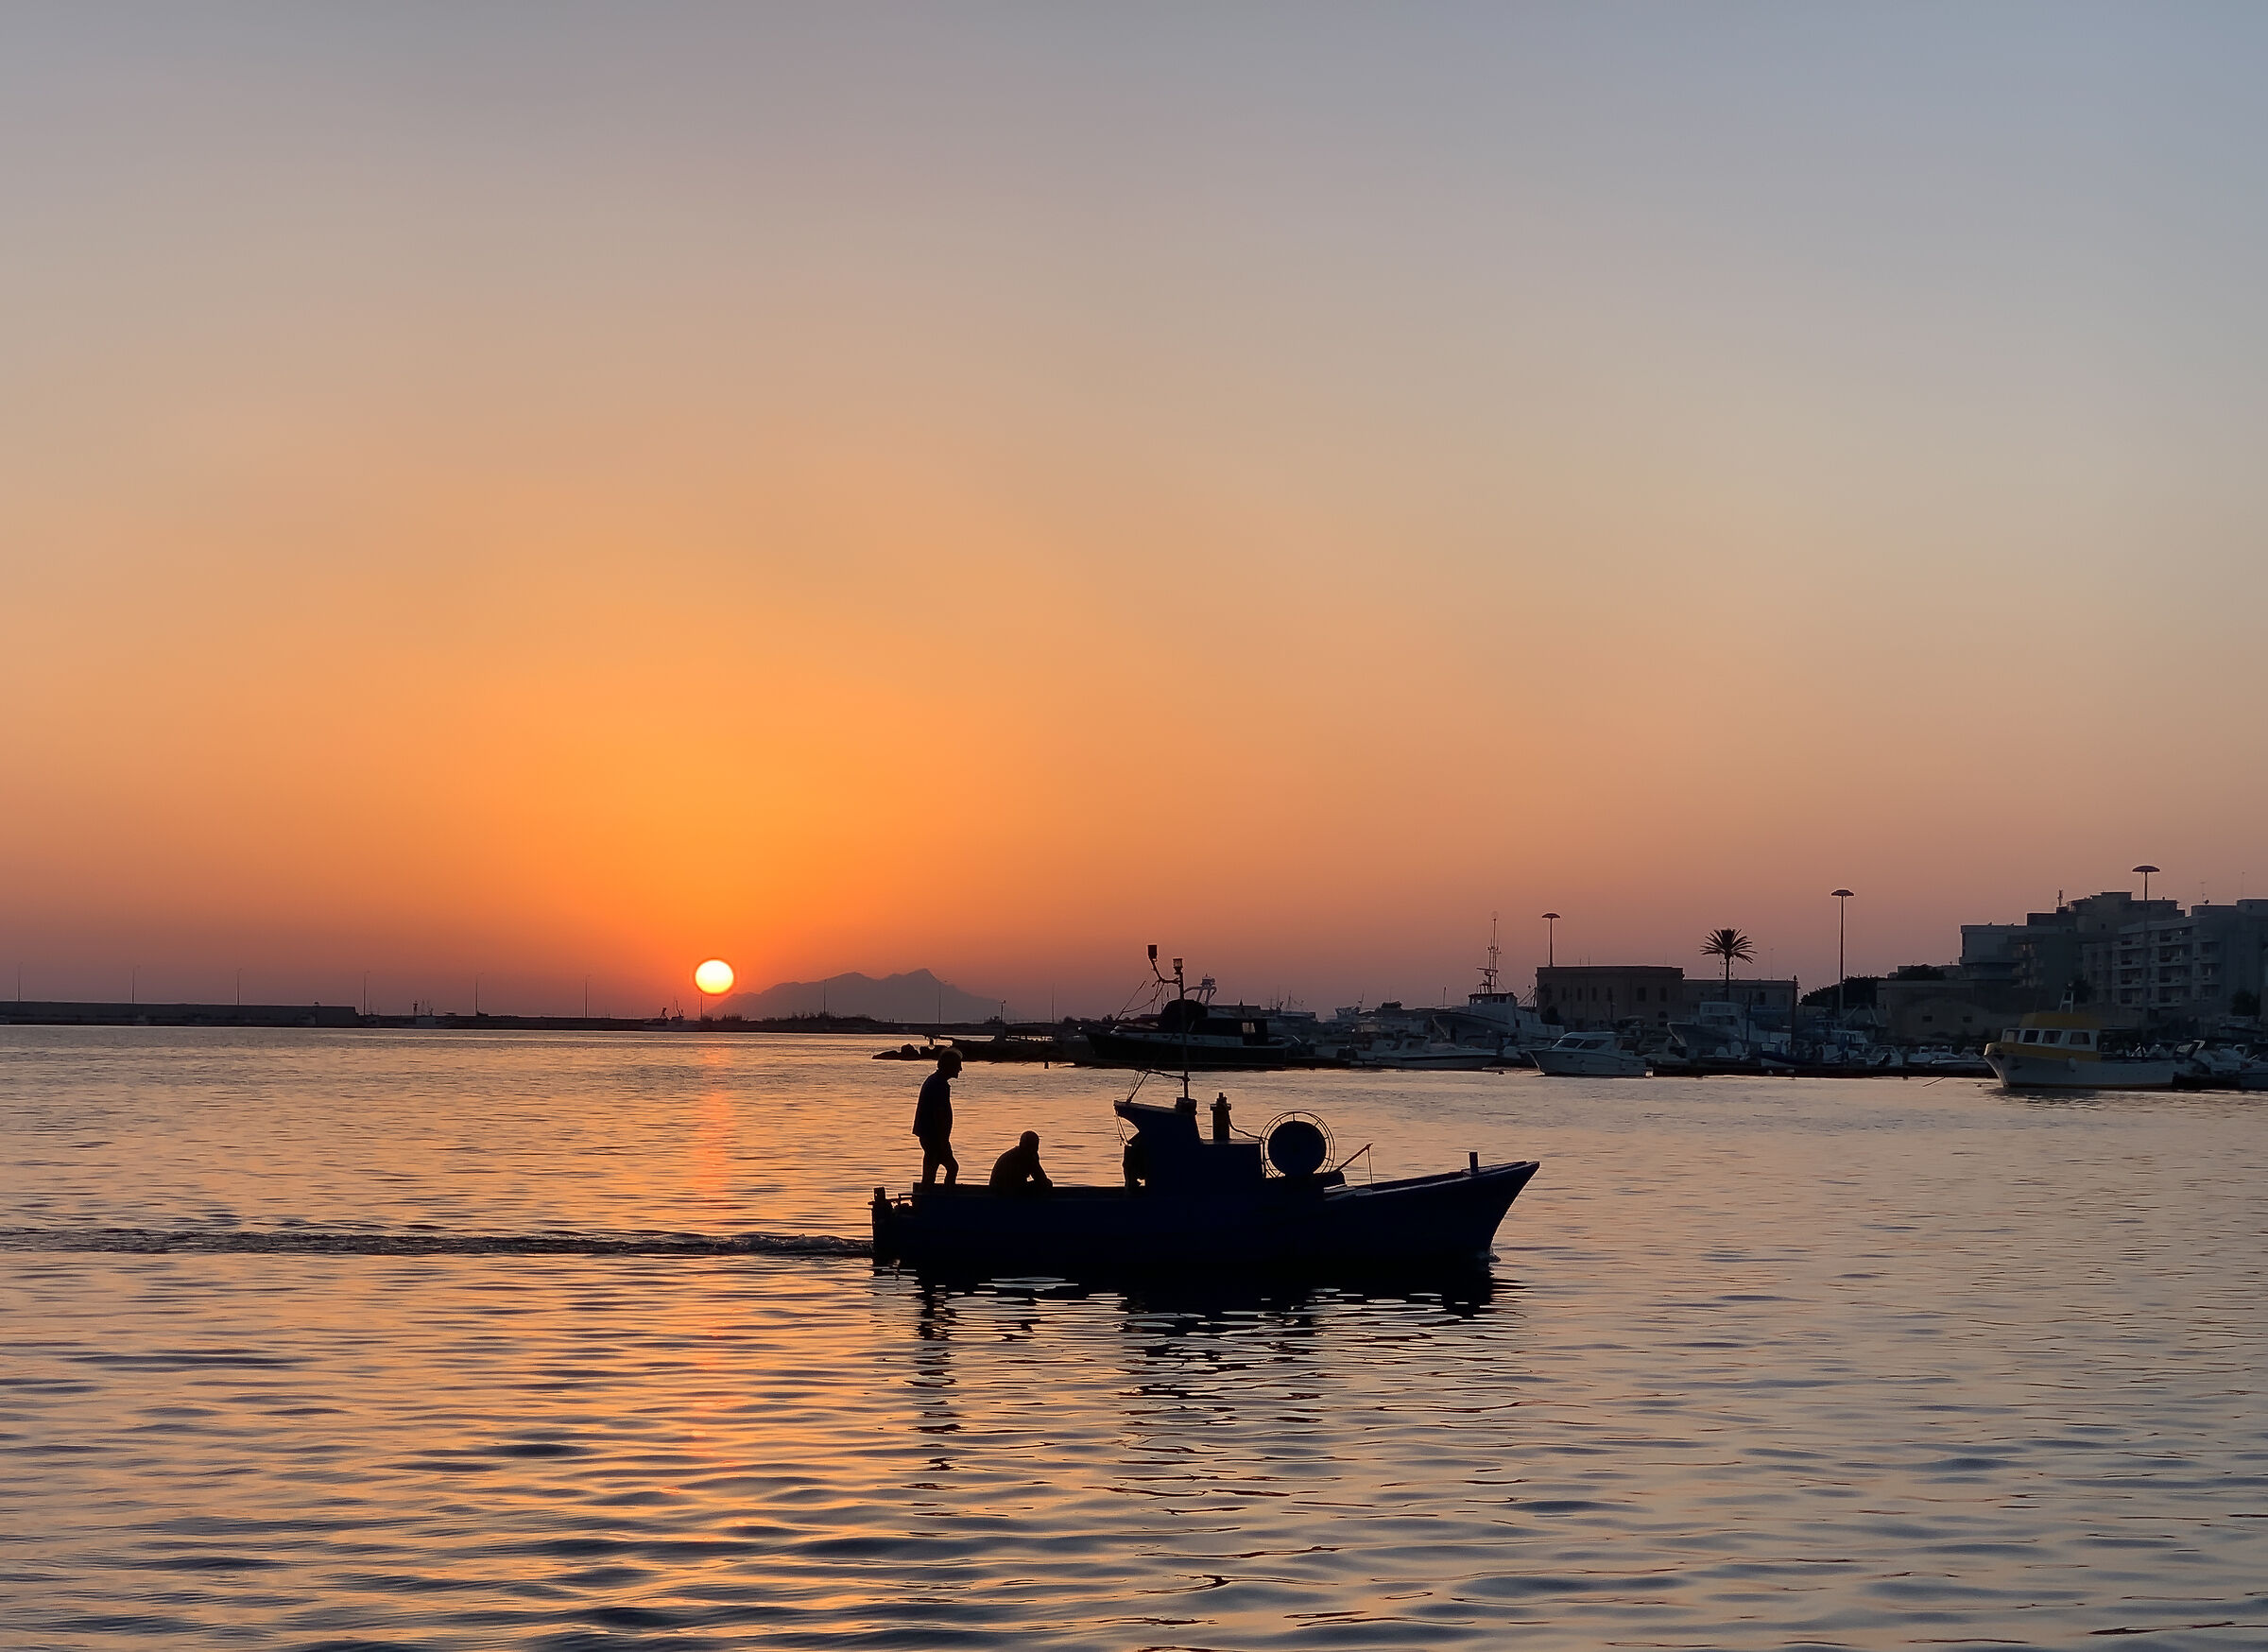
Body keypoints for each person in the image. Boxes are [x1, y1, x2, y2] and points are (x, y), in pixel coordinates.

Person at [912, 1050, 961, 1186]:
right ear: (949, 1066)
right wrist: (943, 1142)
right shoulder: (939, 1085)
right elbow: (939, 1115)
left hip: (931, 1137)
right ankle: (945, 1198)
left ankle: (930, 1196)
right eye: (957, 1066)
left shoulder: (935, 1081)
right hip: (934, 1138)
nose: (960, 1069)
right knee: (951, 1168)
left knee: (931, 1171)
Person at [989, 1130, 1052, 1195]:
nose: (1033, 1149)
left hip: (1008, 1189)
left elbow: (1040, 1177)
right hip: (1003, 1191)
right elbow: (1041, 1179)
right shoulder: (1023, 1157)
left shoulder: (1028, 1155)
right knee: (1046, 1184)